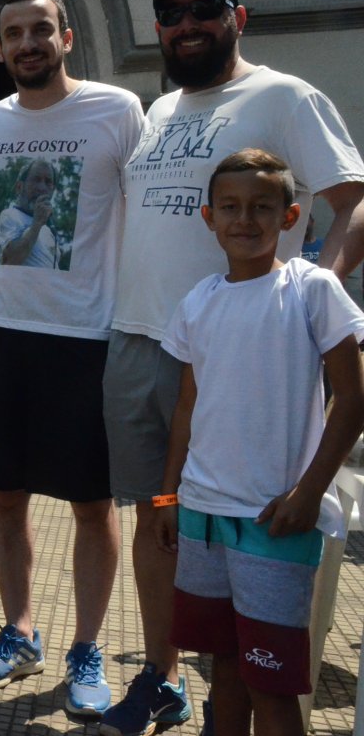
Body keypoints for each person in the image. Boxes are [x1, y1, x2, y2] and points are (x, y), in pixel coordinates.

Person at [101, 0, 364, 736]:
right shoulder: (157, 109)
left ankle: (244, 680)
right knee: (160, 518)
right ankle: (161, 673)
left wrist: (311, 290)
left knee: (253, 537)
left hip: (235, 361)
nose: (187, 25)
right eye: (172, 14)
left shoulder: (283, 94)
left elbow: (351, 200)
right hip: (142, 341)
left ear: (237, 18)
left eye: (202, 10)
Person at [0, 0, 143, 719]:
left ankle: (86, 649)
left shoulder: (117, 110)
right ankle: (20, 631)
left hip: (85, 339)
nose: (29, 42)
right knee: (5, 495)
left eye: (42, 29)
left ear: (67, 36)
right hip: (1, 331)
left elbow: (148, 213)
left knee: (93, 505)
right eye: (15, 33)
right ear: (0, 49)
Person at [156, 148, 364, 736]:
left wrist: (308, 492)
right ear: (209, 218)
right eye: (230, 207)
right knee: (223, 666)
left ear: (290, 217)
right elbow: (187, 408)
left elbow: (353, 399)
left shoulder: (313, 290)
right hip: (203, 517)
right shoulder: (199, 301)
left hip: (275, 521)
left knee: (271, 683)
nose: (245, 220)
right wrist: (169, 497)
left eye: (261, 208)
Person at [0, 159, 58, 268]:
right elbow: (9, 261)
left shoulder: (49, 231)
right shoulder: (9, 215)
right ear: (19, 187)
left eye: (48, 182)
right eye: (36, 180)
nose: (42, 188)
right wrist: (37, 223)